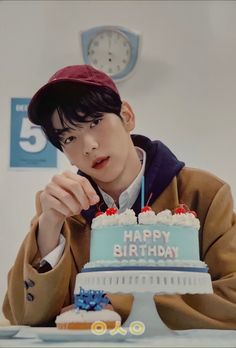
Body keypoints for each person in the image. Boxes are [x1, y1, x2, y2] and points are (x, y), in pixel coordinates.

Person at [3, 65, 236, 329]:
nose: (88, 145)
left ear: (126, 116)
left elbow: (232, 298)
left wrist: (118, 305)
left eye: (95, 122)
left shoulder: (203, 194)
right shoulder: (61, 208)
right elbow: (22, 315)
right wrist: (48, 229)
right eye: (69, 138)